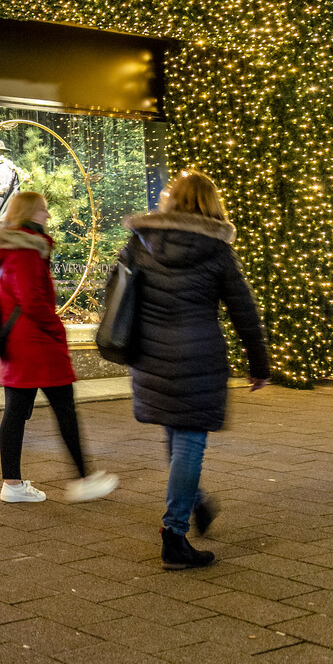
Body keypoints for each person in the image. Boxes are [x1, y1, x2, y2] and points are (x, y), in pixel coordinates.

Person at [122, 170, 270, 570]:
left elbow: (115, 293)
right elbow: (244, 310)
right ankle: (174, 535)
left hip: (150, 354)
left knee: (176, 429)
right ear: (211, 203)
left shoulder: (139, 243)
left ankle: (195, 501)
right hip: (199, 355)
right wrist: (260, 364)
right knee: (189, 439)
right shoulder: (216, 249)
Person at [0, 191, 118, 505]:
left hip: (17, 344)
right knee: (64, 410)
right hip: (37, 344)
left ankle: (13, 483)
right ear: (30, 212)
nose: (47, 215)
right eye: (43, 210)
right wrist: (56, 328)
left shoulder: (7, 250)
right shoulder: (26, 250)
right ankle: (83, 480)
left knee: (16, 413)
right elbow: (33, 300)